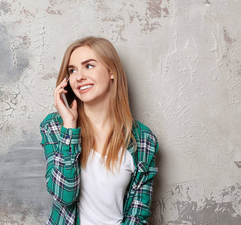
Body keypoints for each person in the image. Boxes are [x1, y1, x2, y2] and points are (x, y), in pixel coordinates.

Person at [40, 37, 158, 225]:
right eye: (72, 70)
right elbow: (64, 195)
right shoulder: (55, 127)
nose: (79, 77)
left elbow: (138, 214)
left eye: (89, 66)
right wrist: (69, 127)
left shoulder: (142, 139)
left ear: (111, 71)